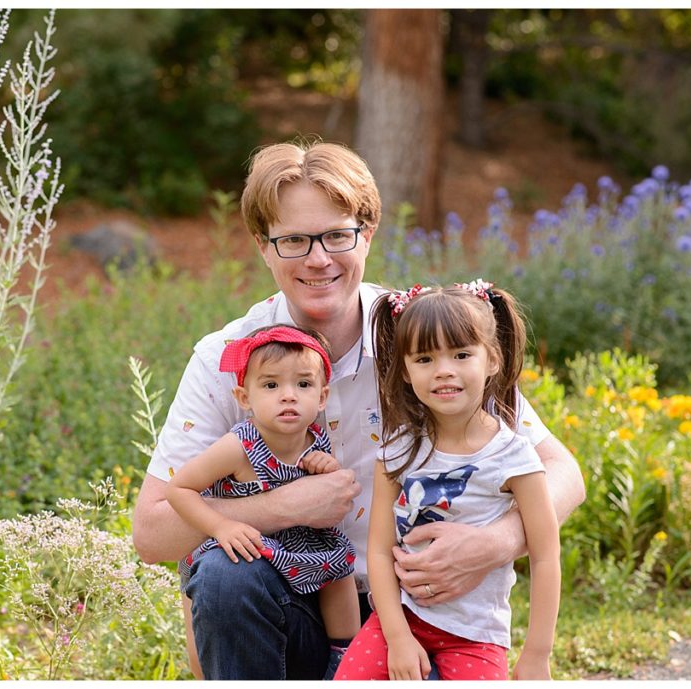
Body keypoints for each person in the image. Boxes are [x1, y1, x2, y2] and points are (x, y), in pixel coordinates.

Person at [131, 139, 585, 681]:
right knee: (226, 577)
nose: (318, 259)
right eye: (294, 240)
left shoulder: (426, 340)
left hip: (419, 611)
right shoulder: (226, 359)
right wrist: (282, 506)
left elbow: (563, 473)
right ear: (263, 246)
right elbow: (152, 533)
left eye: (336, 236)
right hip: (291, 602)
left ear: (366, 234)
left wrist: (497, 541)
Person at [334, 280, 560, 680]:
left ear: (491, 359)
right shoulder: (397, 451)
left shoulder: (515, 457)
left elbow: (545, 557)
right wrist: (399, 638)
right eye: (424, 359)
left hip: (475, 635)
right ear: (404, 370)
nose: (444, 371)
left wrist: (538, 653)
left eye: (460, 354)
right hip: (400, 619)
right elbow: (381, 552)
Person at [166, 324, 361, 679]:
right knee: (225, 575)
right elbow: (179, 489)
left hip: (302, 551)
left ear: (321, 397)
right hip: (254, 551)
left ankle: (343, 652)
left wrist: (326, 467)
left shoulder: (316, 439)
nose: (288, 396)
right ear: (244, 398)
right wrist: (221, 525)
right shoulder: (239, 445)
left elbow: (328, 489)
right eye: (271, 385)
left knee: (340, 565)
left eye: (303, 384)